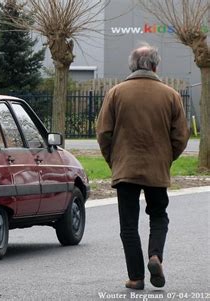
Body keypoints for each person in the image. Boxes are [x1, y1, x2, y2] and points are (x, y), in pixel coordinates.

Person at [96, 44, 190, 290]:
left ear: (132, 66)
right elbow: (181, 136)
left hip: (125, 168)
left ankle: (136, 277)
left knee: (128, 225)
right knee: (158, 216)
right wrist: (167, 158)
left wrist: (114, 161)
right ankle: (155, 256)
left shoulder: (116, 93)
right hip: (157, 169)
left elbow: (103, 133)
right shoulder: (171, 95)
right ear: (155, 66)